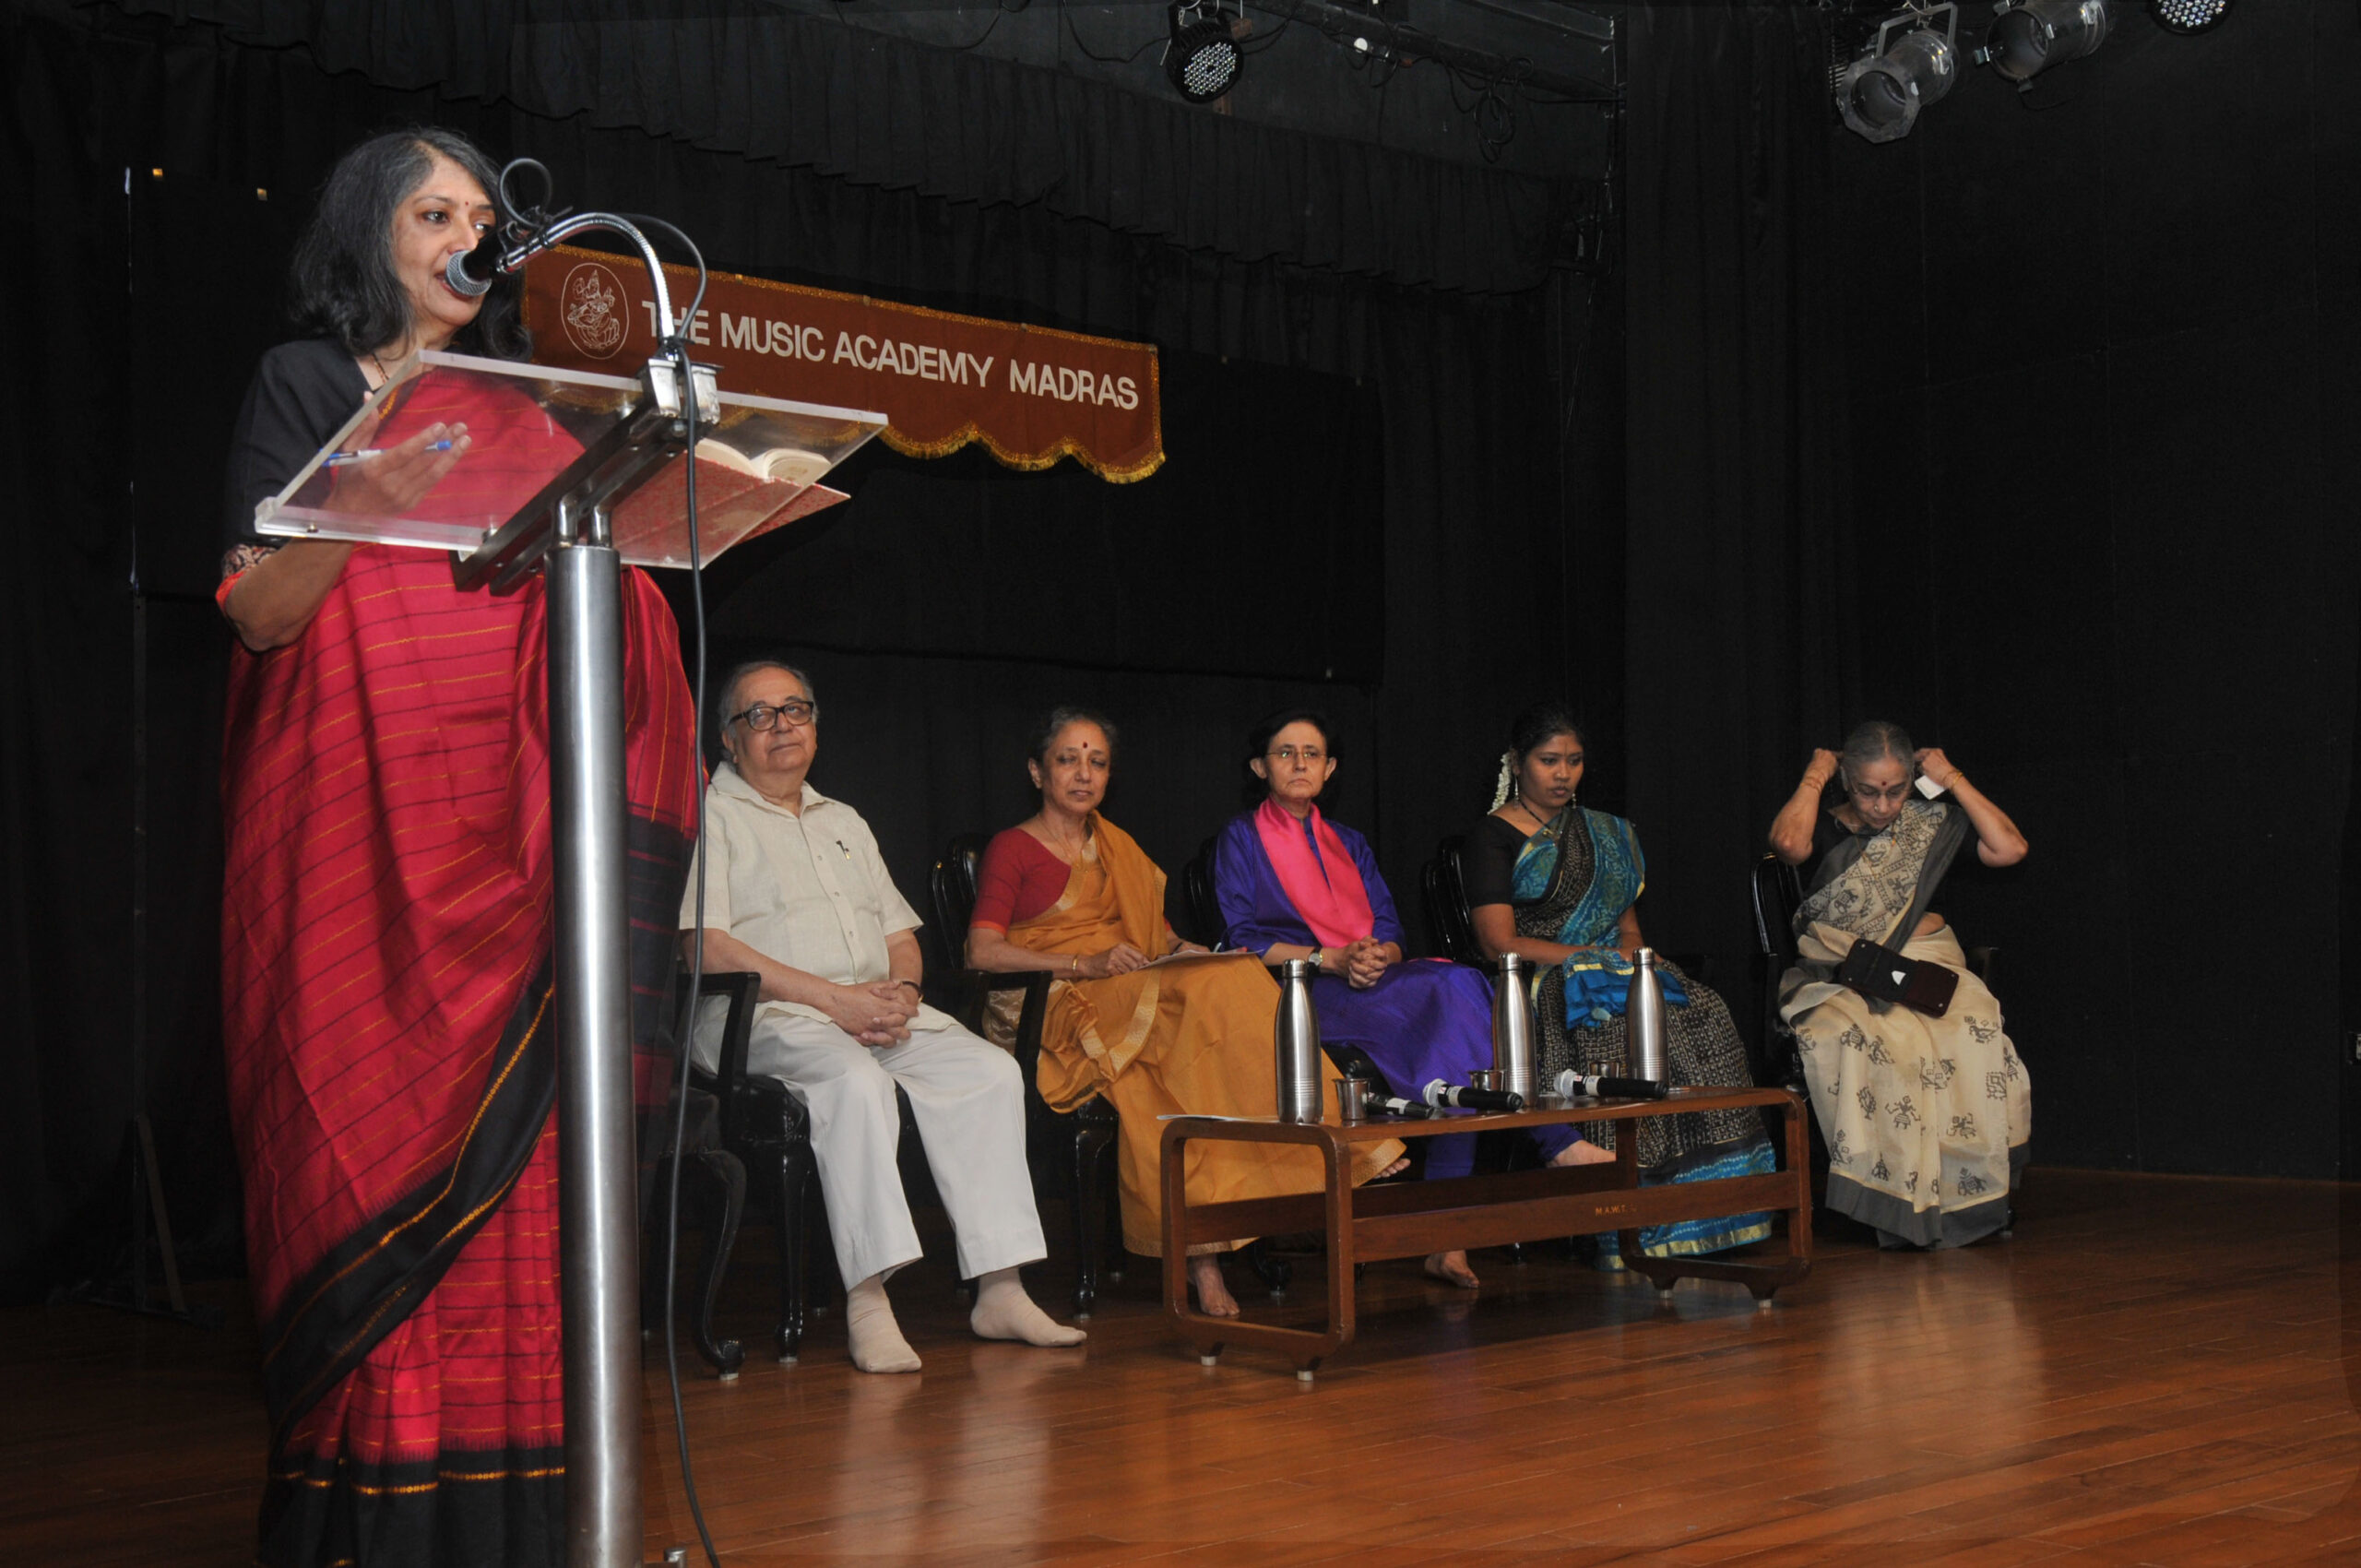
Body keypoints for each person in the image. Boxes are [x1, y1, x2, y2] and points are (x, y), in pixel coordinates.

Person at [216, 130, 699, 1566]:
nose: (465, 238)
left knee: (529, 1202)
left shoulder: (527, 413)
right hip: (360, 865)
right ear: (370, 232)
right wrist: (378, 480)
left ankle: (538, 1519)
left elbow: (589, 589)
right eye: (433, 213)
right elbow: (260, 614)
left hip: (522, 860)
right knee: (366, 1158)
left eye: (482, 218)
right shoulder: (302, 383)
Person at [682, 661, 1086, 1372]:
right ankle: (868, 1300)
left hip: (869, 1009)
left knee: (988, 1072)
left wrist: (902, 991)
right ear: (727, 739)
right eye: (760, 715)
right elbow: (704, 946)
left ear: (815, 725)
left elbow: (901, 935)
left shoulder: (844, 820)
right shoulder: (710, 817)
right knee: (856, 1082)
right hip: (765, 1016)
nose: (782, 726)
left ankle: (1000, 1288)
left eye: (795, 710)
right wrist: (832, 1000)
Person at [965, 707, 1405, 1318]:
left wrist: (1186, 949)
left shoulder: (1116, 845)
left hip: (1129, 989)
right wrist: (1085, 964)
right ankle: (1332, 1156)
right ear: (1038, 772)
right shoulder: (1014, 848)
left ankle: (1223, 1239)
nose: (1084, 774)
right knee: (1197, 1008)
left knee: (1227, 986)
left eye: (1098, 762)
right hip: (1055, 1003)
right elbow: (981, 951)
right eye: (1068, 760)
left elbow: (1158, 936)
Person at [1209, 707, 1607, 1290]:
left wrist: (1377, 956)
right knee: (1457, 1005)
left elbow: (1390, 929)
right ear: (1260, 767)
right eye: (1285, 753)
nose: (1299, 764)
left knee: (1462, 988)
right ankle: (1517, 1173)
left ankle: (1450, 1234)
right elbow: (1240, 939)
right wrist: (1330, 959)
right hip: (1297, 991)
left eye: (1312, 754)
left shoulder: (1349, 842)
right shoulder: (1241, 838)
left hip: (1367, 978)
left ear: (1330, 768)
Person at [1461, 703, 1776, 1260]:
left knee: (1703, 1011)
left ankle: (1717, 1207)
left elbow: (1627, 926)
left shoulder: (1607, 834)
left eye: (1575, 761)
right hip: (1542, 976)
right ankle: (1628, 1219)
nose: (1563, 774)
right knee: (1610, 1028)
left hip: (1612, 967)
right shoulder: (1492, 835)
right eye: (1549, 761)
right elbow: (1497, 942)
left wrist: (1631, 961)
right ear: (1517, 762)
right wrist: (1588, 958)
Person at [1767, 722, 2031, 1248]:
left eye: (1896, 790)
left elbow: (2010, 849)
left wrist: (1951, 778)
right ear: (1847, 780)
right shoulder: (1823, 825)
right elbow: (1789, 845)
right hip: (1845, 972)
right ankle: (1892, 1201)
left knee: (1972, 1032)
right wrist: (1816, 775)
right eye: (1868, 791)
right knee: (1867, 1042)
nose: (1883, 806)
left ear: (1913, 780)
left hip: (1929, 968)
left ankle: (1966, 1198)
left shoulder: (1929, 824)